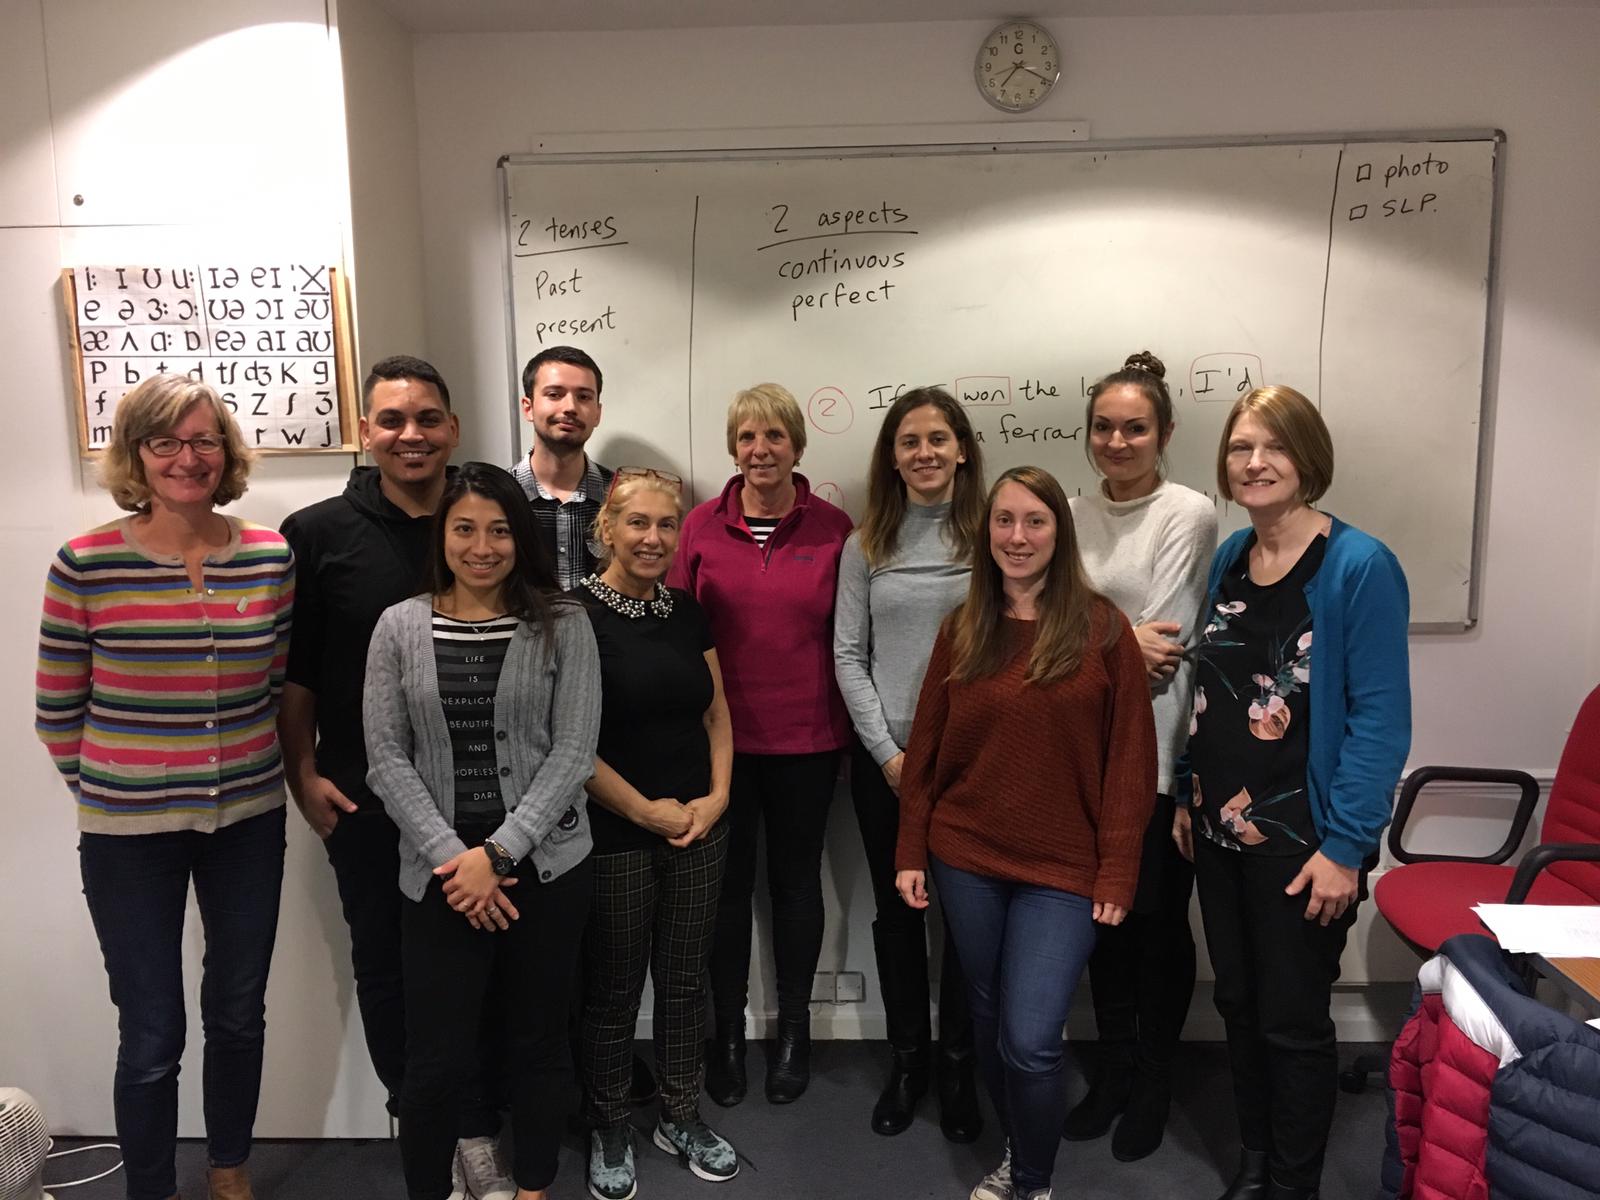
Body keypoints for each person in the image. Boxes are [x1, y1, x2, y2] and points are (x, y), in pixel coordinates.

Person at [35, 373, 295, 1200]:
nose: (188, 458)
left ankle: (229, 1168)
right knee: (152, 1030)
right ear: (136, 455)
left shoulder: (270, 555)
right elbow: (56, 712)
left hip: (248, 820)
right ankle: (151, 1187)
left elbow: (273, 684)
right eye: (166, 442)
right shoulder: (85, 564)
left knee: (238, 1011)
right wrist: (126, 787)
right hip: (127, 837)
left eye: (204, 440)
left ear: (227, 452)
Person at [895, 466, 1156, 1200]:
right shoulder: (964, 627)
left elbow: (1131, 760)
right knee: (985, 1017)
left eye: (1034, 521)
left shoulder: (1103, 629)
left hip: (1065, 868)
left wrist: (1118, 870)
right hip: (967, 857)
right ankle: (1017, 1152)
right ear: (986, 532)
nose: (1017, 536)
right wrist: (911, 848)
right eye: (1004, 520)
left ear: (1058, 533)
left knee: (1032, 1038)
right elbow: (927, 748)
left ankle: (1033, 1185)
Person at [1179, 385, 1410, 1200]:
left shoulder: (1359, 565)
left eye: (1274, 445)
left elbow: (1380, 721)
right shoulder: (1230, 556)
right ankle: (1255, 1158)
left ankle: (1292, 1182)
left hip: (1305, 843)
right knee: (1239, 1005)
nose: (1255, 462)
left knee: (1292, 1019)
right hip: (1219, 830)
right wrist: (1188, 792)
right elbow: (1211, 686)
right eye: (1241, 447)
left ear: (1308, 457)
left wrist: (1346, 849)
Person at [363, 462, 601, 1200]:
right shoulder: (398, 626)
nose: (482, 547)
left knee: (538, 1042)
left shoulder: (564, 622)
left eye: (500, 530)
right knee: (434, 1060)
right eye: (464, 528)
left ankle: (533, 1188)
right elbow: (386, 757)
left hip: (545, 864)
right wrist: (456, 859)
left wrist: (498, 853)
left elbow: (574, 750)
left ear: (521, 538)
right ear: (441, 534)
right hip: (440, 875)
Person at [668, 383, 854, 1106]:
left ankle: (794, 1031)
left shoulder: (834, 530)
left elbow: (849, 637)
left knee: (797, 886)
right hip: (720, 746)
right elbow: (678, 628)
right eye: (747, 436)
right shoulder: (699, 527)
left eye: (775, 435)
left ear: (797, 445)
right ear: (733, 447)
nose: (760, 449)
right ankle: (727, 1035)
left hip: (808, 741)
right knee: (726, 891)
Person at [1062, 351, 1218, 1161]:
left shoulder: (1188, 512)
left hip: (1154, 751)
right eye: (1103, 427)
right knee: (1102, 924)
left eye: (1135, 428)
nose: (1116, 442)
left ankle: (1155, 1076)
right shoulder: (1069, 513)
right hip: (1075, 756)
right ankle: (1115, 1068)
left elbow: (1166, 645)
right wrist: (1112, 642)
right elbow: (1046, 626)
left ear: (1164, 433)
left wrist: (1089, 640)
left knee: (1154, 922)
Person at [574, 468, 740, 1199]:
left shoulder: (686, 612)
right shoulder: (573, 615)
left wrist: (717, 799)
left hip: (698, 828)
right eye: (637, 522)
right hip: (615, 832)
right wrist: (644, 811)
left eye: (666, 524)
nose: (653, 537)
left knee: (683, 982)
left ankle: (679, 1114)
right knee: (613, 987)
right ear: (607, 528)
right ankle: (609, 1122)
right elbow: (569, 744)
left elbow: (717, 714)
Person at [832, 387, 986, 1141]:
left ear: (961, 449)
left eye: (937, 438)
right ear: (891, 458)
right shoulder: (865, 545)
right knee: (899, 915)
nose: (924, 453)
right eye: (908, 441)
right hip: (887, 765)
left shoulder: (993, 535)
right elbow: (847, 655)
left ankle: (958, 1065)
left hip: (974, 766)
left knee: (966, 918)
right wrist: (888, 755)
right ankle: (908, 1062)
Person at [511, 344, 615, 591]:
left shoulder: (620, 497)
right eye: (554, 394)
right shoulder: (498, 497)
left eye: (584, 397)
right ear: (528, 407)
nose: (570, 407)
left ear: (597, 413)